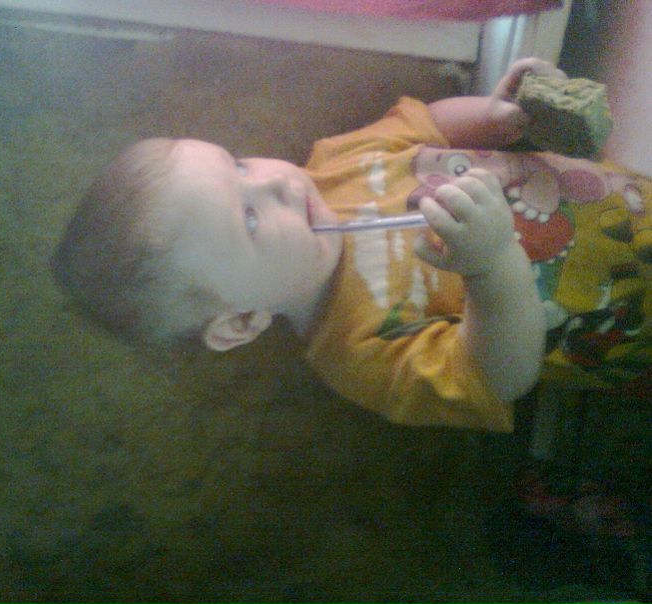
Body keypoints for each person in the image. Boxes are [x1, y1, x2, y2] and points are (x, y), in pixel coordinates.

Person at [52, 58, 650, 432]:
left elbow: (426, 125)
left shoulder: (335, 161)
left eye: (238, 165)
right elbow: (500, 378)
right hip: (629, 327)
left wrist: (497, 116)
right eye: (250, 219)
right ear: (239, 322)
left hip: (629, 200)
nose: (277, 182)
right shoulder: (357, 354)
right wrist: (492, 265)